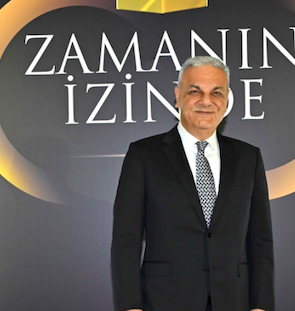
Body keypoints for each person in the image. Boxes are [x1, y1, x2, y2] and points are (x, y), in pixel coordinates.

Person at [111, 56, 275, 311]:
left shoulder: (248, 157)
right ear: (178, 96)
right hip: (164, 301)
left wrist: (261, 305)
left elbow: (260, 239)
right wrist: (130, 306)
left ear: (226, 100)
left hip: (234, 300)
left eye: (216, 93)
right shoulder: (144, 155)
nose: (206, 101)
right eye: (195, 91)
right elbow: (126, 239)